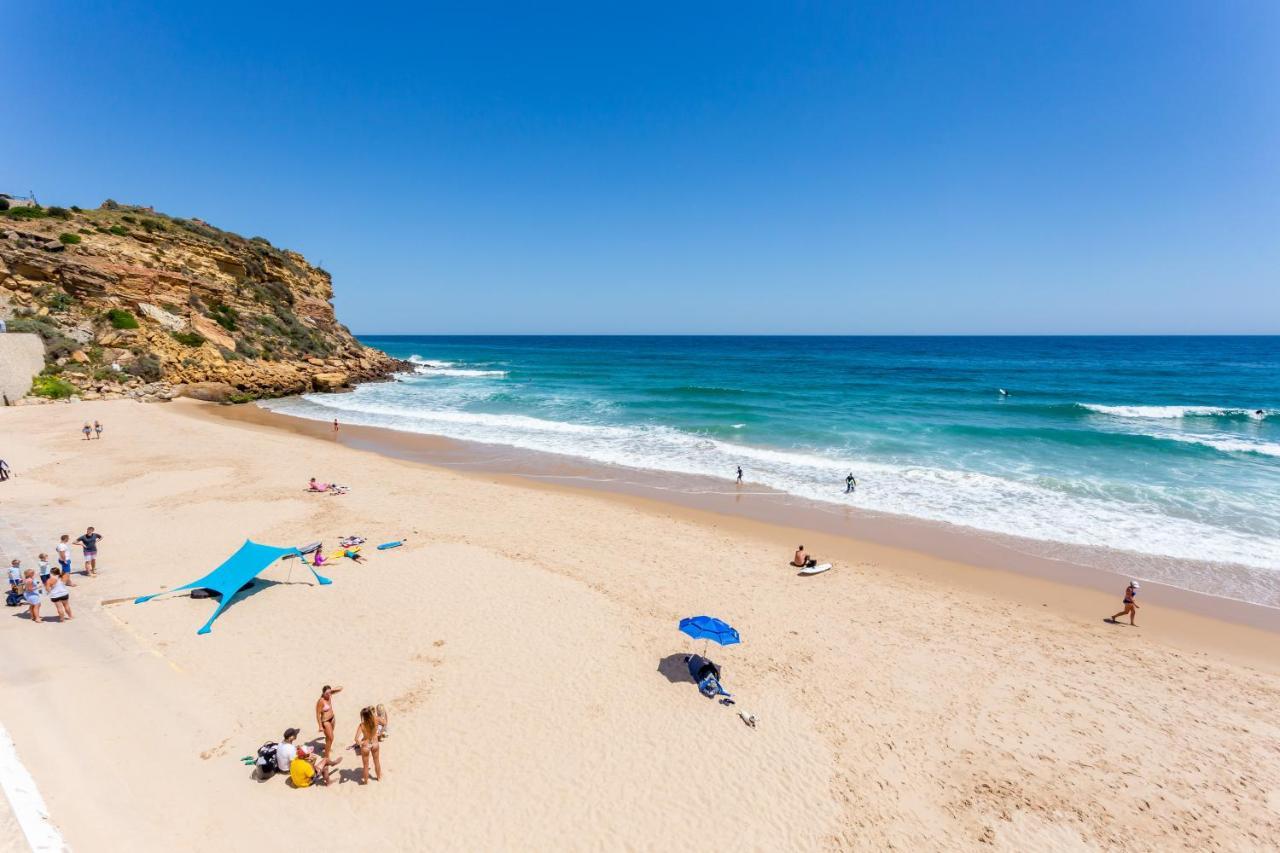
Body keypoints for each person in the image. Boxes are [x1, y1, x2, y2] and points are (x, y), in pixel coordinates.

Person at [276, 727, 341, 786]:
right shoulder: (291, 750)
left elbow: (294, 758)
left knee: (319, 761)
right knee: (325, 765)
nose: (296, 735)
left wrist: (303, 754)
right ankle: (329, 781)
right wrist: (312, 763)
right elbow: (311, 774)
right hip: (296, 776)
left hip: (283, 768)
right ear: (291, 737)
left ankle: (331, 763)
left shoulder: (281, 743)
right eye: (295, 735)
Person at [354, 706, 383, 784]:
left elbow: (356, 739)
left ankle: (366, 781)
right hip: (375, 743)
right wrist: (380, 732)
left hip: (366, 745)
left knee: (366, 765)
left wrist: (361, 743)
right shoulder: (376, 720)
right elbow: (384, 723)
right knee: (376, 761)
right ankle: (379, 777)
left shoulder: (362, 725)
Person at [315, 685, 343, 760]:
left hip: (332, 718)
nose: (329, 695)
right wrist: (320, 726)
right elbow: (318, 714)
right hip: (325, 721)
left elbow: (341, 688)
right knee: (331, 737)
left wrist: (331, 690)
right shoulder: (321, 701)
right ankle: (326, 756)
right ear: (323, 693)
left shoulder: (329, 695)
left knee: (328, 737)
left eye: (329, 693)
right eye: (326, 693)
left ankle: (327, 748)